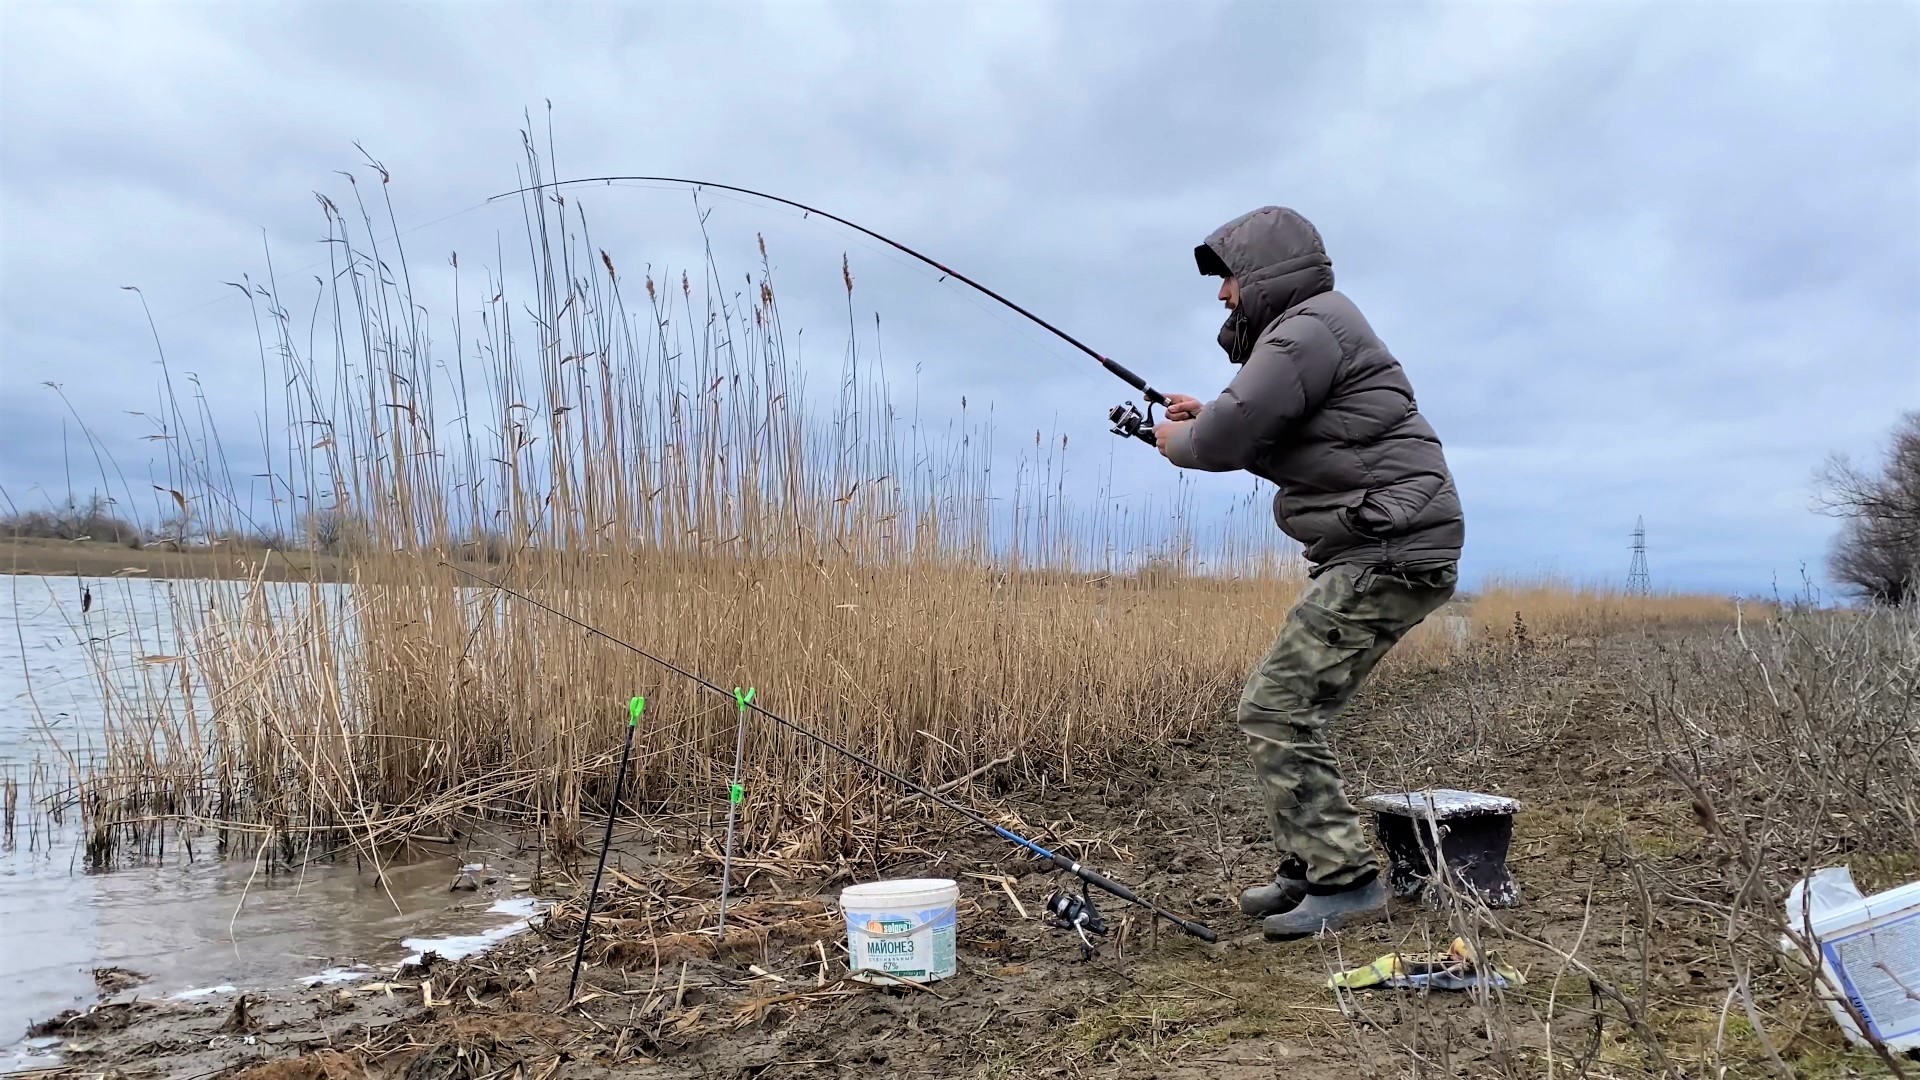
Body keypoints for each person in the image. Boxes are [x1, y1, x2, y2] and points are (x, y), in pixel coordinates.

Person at [1153, 206, 1465, 941]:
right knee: (1291, 707)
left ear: (1262, 274)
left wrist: (1179, 440)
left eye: (1228, 277)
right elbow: (1280, 435)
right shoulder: (1317, 329)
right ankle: (1307, 862)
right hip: (1390, 541)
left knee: (1276, 706)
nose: (1223, 295)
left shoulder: (1306, 330)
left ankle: (1345, 879)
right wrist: (1203, 416)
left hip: (1387, 549)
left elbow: (1231, 435)